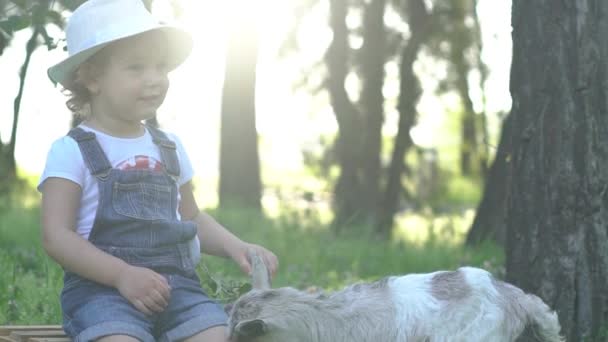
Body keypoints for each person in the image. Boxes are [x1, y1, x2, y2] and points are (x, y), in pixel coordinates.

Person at [38, 0, 278, 341]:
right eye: (136, 67)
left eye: (160, 66)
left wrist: (235, 246)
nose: (155, 79)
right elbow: (56, 236)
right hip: (102, 292)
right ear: (91, 77)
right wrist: (122, 275)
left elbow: (191, 217)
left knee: (221, 337)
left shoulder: (170, 147)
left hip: (178, 290)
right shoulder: (71, 150)